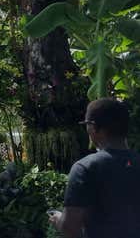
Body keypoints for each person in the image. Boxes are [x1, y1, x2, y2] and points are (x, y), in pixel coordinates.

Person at [49, 98, 140, 238]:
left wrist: (58, 219)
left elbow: (70, 227)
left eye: (87, 125)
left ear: (94, 127)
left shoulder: (85, 168)